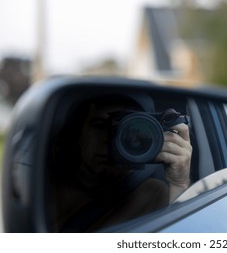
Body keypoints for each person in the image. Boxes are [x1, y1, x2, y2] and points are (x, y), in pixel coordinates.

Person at [51, 95, 192, 232]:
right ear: (79, 134)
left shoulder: (155, 195)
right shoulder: (47, 184)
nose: (112, 140)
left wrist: (179, 184)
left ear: (151, 137)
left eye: (129, 129)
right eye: (100, 126)